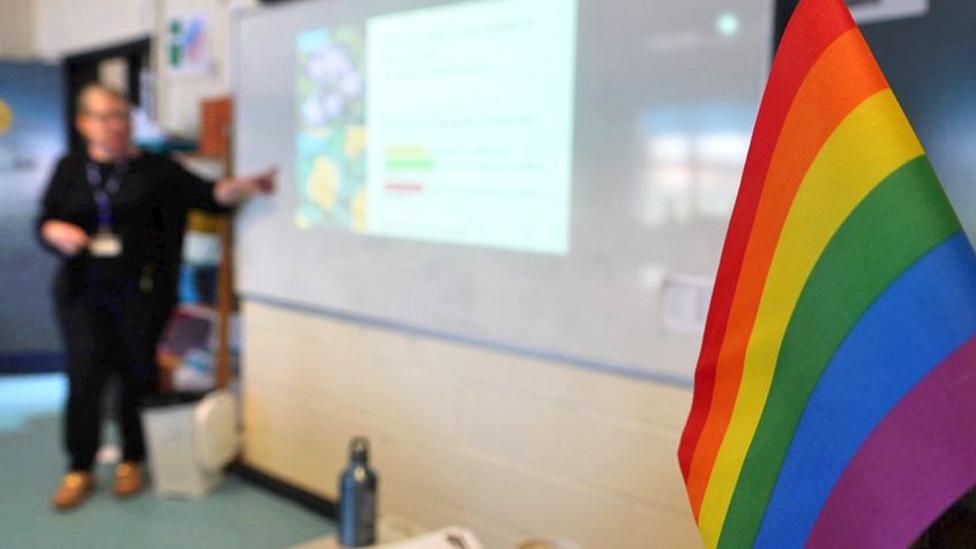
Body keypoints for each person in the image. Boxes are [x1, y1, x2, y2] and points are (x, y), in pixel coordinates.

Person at [36, 83, 273, 510]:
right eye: (105, 117)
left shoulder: (158, 170)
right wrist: (54, 232)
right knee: (85, 378)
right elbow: (45, 221)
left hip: (141, 294)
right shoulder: (69, 168)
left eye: (122, 116)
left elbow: (209, 197)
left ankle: (132, 459)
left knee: (136, 377)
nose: (116, 126)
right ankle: (79, 467)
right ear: (84, 123)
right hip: (81, 294)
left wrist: (245, 186)